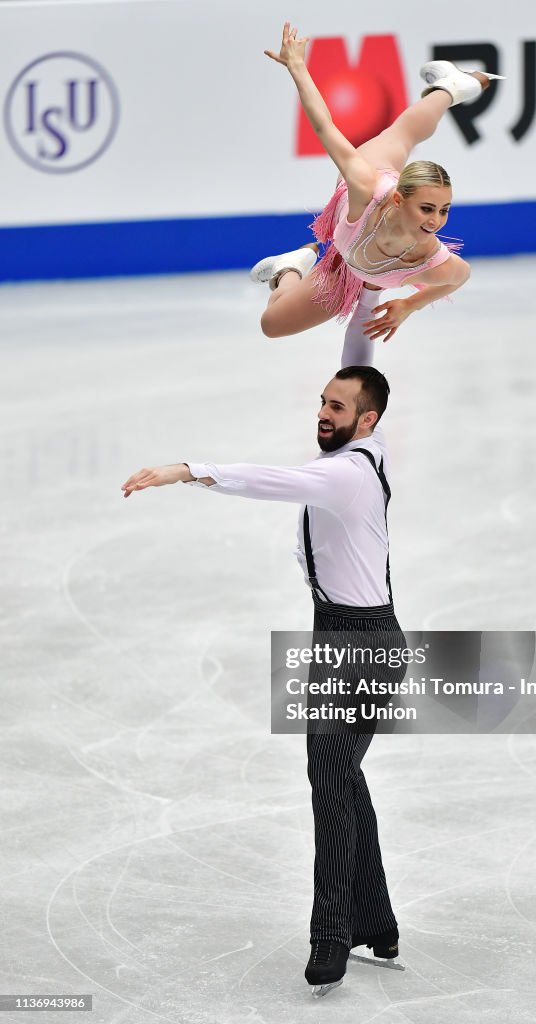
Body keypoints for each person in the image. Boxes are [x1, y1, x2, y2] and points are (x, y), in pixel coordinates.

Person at [121, 349, 406, 998]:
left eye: (336, 407)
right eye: (322, 402)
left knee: (328, 781)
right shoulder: (369, 440)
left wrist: (186, 471)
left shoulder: (347, 477)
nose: (322, 414)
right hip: (341, 634)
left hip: (360, 643)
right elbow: (358, 355)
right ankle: (377, 922)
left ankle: (331, 936)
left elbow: (269, 480)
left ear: (366, 422)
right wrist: (339, 276)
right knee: (341, 776)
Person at [250, 22, 503, 344]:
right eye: (427, 208)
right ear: (398, 199)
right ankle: (451, 88)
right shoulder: (366, 184)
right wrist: (297, 65)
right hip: (365, 202)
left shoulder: (430, 257)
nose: (435, 221)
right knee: (404, 132)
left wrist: (410, 304)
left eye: (444, 210)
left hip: (354, 272)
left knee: (273, 324)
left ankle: (287, 268)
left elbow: (460, 276)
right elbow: (324, 126)